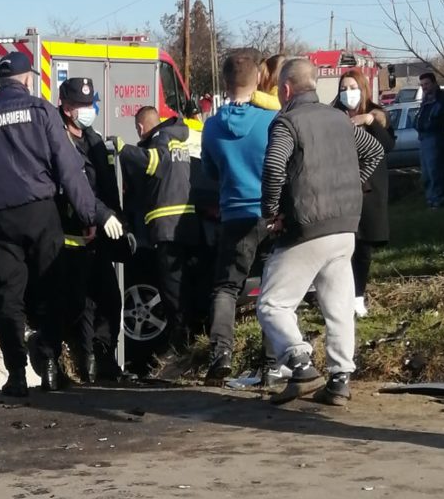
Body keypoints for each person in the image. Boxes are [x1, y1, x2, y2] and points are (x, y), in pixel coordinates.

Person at [0, 49, 122, 397]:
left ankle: (16, 375)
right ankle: (48, 361)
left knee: (8, 299)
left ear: (0, 81)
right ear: (28, 79)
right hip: (41, 213)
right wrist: (89, 214)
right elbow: (68, 168)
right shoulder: (41, 111)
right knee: (52, 290)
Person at [256, 57, 384, 408]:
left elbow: (272, 167)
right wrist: (350, 188)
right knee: (339, 306)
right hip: (346, 228)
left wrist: (271, 213)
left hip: (307, 227)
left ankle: (300, 365)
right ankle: (340, 380)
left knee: (271, 305)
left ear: (285, 89)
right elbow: (374, 150)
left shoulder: (287, 122)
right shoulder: (341, 121)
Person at [200, 48, 278, 383]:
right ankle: (274, 360)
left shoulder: (212, 127)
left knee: (226, 287)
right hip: (272, 214)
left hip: (233, 214)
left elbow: (209, 171)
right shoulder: (273, 120)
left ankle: (221, 356)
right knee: (275, 288)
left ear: (226, 82)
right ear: (260, 77)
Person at [55, 76, 130, 384]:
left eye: (91, 103)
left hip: (99, 237)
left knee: (111, 301)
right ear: (66, 107)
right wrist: (99, 215)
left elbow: (107, 186)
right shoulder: (59, 141)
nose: (89, 109)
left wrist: (118, 220)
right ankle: (84, 366)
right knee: (80, 307)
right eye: (82, 105)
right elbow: (74, 188)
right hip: (70, 240)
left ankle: (105, 358)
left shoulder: (93, 138)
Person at [119, 104, 196, 373]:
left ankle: (181, 349)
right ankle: (185, 344)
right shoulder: (179, 139)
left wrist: (122, 148)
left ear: (141, 127)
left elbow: (150, 163)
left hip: (167, 229)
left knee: (173, 292)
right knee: (181, 290)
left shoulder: (160, 142)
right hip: (186, 226)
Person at [332, 68, 395, 317]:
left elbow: (388, 145)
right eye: (344, 88)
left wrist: (370, 121)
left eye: (353, 88)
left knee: (364, 247)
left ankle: (358, 296)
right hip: (340, 188)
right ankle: (341, 296)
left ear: (363, 88)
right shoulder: (333, 114)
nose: (348, 93)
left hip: (370, 190)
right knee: (342, 246)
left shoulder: (376, 114)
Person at [416, 71, 444, 208]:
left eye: (427, 84)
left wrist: (435, 123)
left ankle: (439, 201)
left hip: (436, 138)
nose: (425, 87)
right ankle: (431, 200)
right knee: (426, 173)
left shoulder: (443, 98)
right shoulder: (425, 101)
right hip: (423, 139)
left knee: (435, 172)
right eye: (422, 85)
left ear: (434, 83)